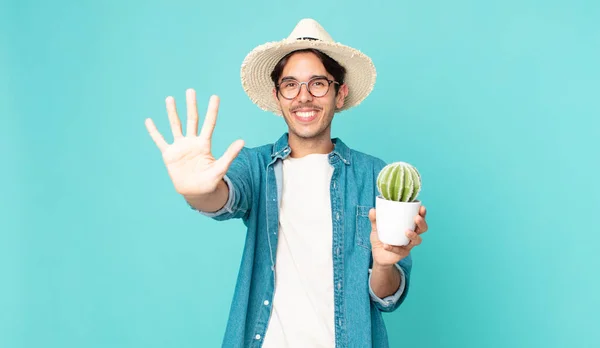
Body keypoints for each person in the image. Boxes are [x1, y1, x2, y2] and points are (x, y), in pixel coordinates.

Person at [145, 18, 429, 348]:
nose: (304, 96)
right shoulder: (255, 166)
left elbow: (387, 298)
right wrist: (197, 191)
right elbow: (223, 198)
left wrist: (383, 264)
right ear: (278, 96)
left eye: (318, 83)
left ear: (340, 93)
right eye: (290, 84)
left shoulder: (374, 176)